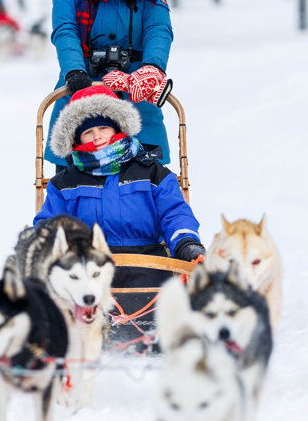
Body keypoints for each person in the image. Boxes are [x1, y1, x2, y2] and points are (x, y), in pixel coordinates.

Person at [45, 0, 174, 169]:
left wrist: (152, 68)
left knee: (149, 176)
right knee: (74, 175)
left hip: (135, 87)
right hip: (82, 83)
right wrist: (74, 72)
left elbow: (158, 27)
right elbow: (65, 29)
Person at [36, 85, 204, 287]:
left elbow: (174, 213)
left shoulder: (152, 172)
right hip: (88, 274)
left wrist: (187, 244)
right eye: (88, 132)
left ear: (118, 127)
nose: (97, 137)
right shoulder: (65, 184)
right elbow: (50, 224)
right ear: (75, 138)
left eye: (103, 128)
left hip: (149, 266)